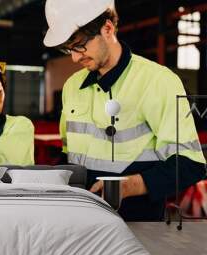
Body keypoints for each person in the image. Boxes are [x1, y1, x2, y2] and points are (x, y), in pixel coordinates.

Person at [43, 0, 206, 220]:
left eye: (79, 45)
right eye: (68, 48)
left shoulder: (158, 82)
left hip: (137, 225)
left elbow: (190, 164)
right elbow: (69, 155)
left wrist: (127, 187)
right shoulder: (72, 87)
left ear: (107, 28)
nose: (74, 57)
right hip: (80, 220)